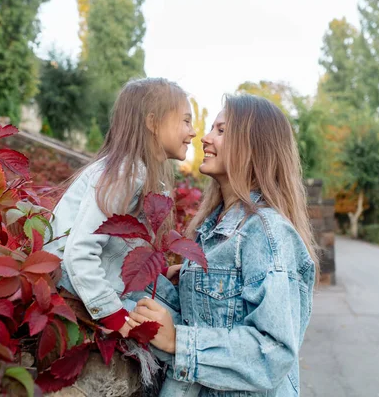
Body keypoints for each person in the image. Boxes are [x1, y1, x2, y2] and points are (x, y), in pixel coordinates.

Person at [127, 94, 319, 396]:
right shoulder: (213, 229)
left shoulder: (267, 233)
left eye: (221, 130)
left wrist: (178, 340)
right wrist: (186, 284)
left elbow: (273, 353)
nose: (204, 138)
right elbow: (215, 318)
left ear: (254, 146)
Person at [44, 78, 195, 337]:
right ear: (152, 122)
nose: (192, 132)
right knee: (174, 331)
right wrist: (115, 316)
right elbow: (79, 252)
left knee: (180, 313)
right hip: (83, 287)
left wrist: (158, 270)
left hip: (102, 280)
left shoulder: (138, 172)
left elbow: (119, 244)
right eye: (186, 121)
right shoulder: (126, 173)